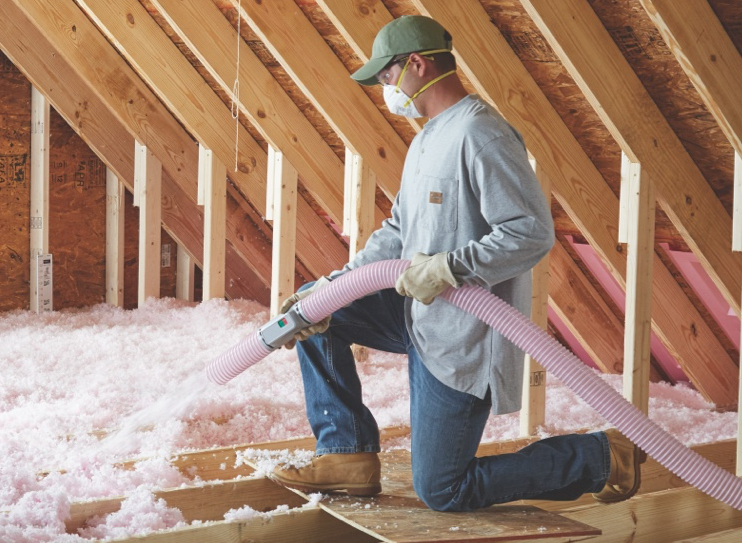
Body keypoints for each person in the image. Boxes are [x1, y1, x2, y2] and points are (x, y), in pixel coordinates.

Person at [271, 15, 645, 511]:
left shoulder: (480, 134)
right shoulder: (426, 139)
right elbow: (397, 235)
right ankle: (347, 456)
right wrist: (331, 287)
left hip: (461, 338)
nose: (385, 89)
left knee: (444, 490)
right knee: (317, 317)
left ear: (417, 65)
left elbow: (530, 233)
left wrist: (449, 268)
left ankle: (597, 457)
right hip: (418, 316)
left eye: (386, 76)